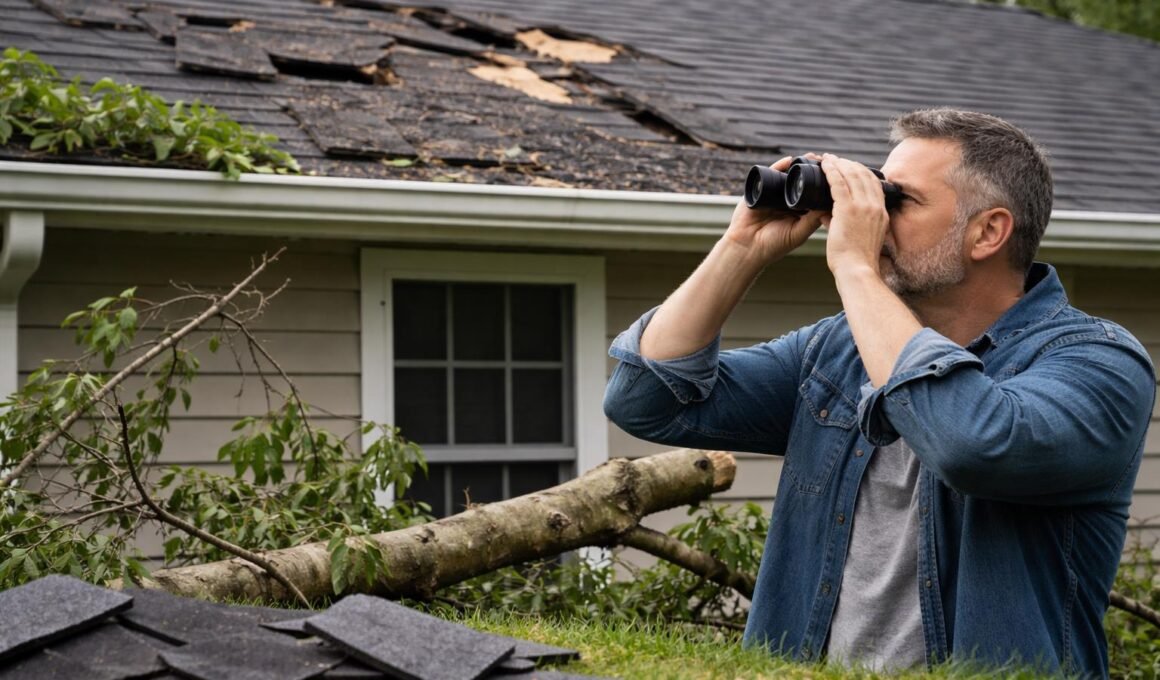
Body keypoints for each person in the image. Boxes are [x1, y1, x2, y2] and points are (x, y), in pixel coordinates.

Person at [602, 108, 1156, 677]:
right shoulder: (838, 350)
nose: (871, 215)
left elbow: (973, 443)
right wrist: (742, 247)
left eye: (898, 200)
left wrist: (856, 268)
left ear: (988, 232)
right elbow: (646, 398)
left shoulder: (1097, 362)